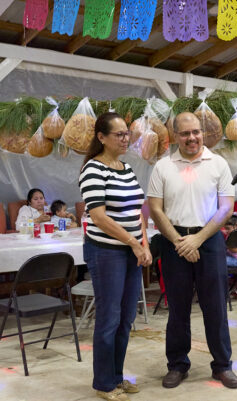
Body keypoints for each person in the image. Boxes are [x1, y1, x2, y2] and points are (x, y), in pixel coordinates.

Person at [148, 112, 237, 390]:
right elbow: (155, 208)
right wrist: (180, 241)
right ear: (176, 136)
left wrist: (198, 239)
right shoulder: (163, 166)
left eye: (196, 132)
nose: (192, 138)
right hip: (173, 240)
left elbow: (226, 208)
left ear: (203, 133)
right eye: (185, 133)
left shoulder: (218, 164)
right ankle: (177, 364)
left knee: (215, 307)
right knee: (177, 308)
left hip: (209, 240)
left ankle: (222, 366)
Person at [79, 112, 152, 401]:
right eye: (119, 134)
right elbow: (98, 217)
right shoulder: (93, 170)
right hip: (106, 252)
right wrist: (134, 243)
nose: (126, 139)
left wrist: (143, 243)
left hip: (131, 250)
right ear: (101, 137)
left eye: (127, 134)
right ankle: (104, 383)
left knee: (126, 317)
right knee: (109, 318)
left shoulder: (127, 168)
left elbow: (138, 210)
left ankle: (117, 376)